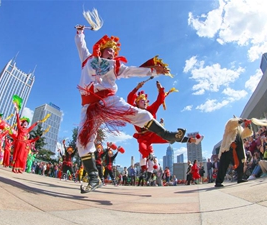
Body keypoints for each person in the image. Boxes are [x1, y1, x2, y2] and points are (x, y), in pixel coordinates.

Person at [75, 25, 194, 193]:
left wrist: (154, 70)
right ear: (101, 50)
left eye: (114, 52)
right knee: (83, 140)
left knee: (139, 114)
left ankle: (167, 134)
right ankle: (94, 177)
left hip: (109, 100)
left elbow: (133, 71)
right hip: (88, 106)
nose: (112, 53)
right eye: (109, 50)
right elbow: (81, 45)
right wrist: (80, 32)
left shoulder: (115, 66)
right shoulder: (88, 60)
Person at [127, 80, 203, 169]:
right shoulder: (134, 111)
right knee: (143, 149)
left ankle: (193, 140)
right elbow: (129, 99)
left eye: (145, 101)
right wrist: (137, 88)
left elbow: (159, 101)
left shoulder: (150, 110)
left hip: (153, 134)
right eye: (141, 101)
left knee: (169, 138)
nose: (144, 102)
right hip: (142, 138)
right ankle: (149, 158)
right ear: (136, 102)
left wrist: (160, 90)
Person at [215, 118, 253, 187]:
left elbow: (246, 134)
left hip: (238, 148)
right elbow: (231, 124)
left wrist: (248, 126)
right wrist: (241, 121)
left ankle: (240, 178)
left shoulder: (239, 129)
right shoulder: (229, 127)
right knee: (223, 165)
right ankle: (218, 182)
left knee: (240, 163)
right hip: (228, 147)